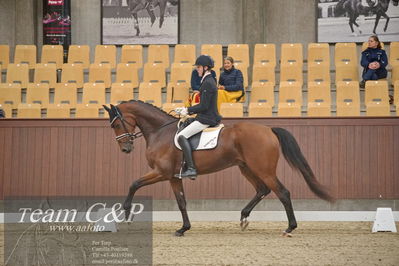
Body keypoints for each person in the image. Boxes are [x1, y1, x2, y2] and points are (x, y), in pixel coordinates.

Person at [174, 55, 222, 180]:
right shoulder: (208, 81)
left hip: (207, 118)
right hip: (204, 116)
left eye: (199, 67)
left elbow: (204, 106)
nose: (197, 69)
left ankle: (191, 169)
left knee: (181, 136)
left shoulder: (208, 82)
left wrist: (187, 110)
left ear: (206, 68)